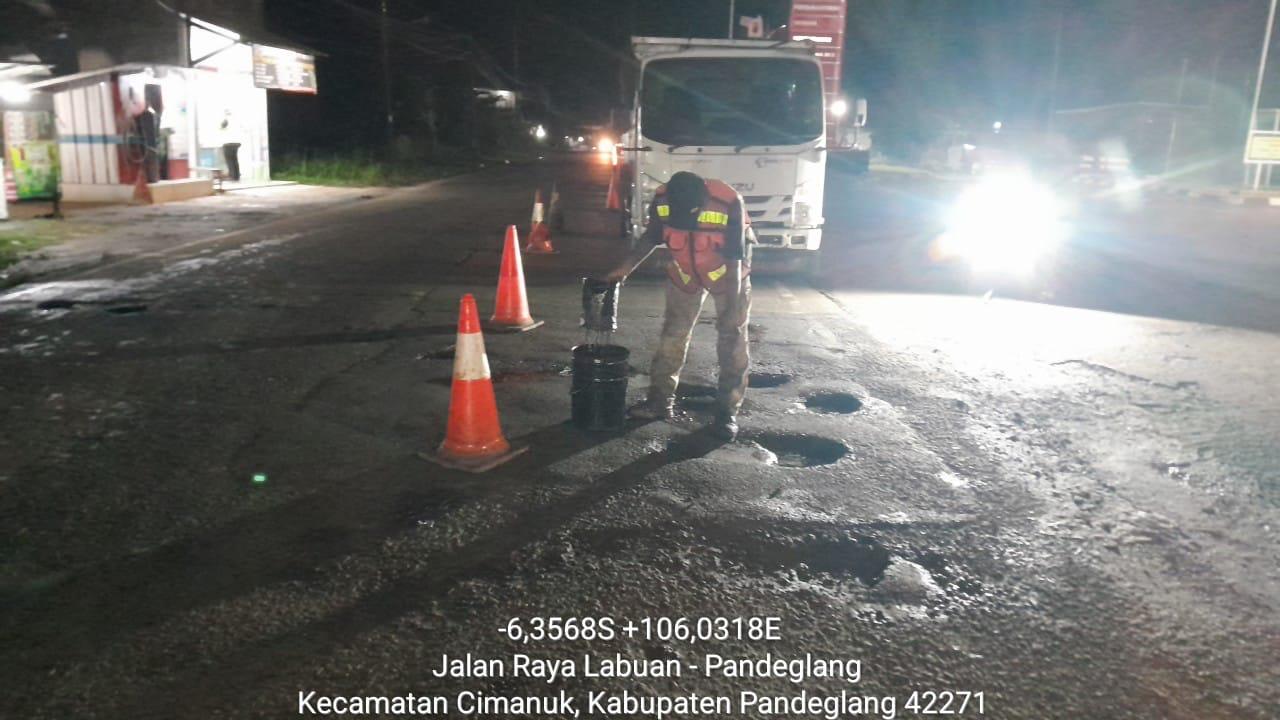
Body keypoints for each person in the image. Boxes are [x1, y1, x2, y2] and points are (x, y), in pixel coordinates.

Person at [604, 171, 752, 441]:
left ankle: (726, 413)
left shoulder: (728, 202)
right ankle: (659, 403)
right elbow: (651, 237)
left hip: (727, 278)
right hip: (684, 276)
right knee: (672, 337)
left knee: (732, 341)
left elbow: (734, 259)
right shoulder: (662, 200)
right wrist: (624, 269)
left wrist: (731, 308)